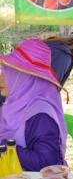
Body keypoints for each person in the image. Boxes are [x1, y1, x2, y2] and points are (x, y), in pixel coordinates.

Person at [0, 39, 68, 171]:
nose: (1, 77)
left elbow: (47, 162)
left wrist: (5, 148)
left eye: (8, 71)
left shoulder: (41, 115)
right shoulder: (12, 104)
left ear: (25, 77)